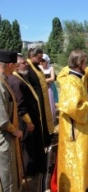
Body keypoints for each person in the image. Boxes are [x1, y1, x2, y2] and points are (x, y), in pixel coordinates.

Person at [57, 49, 88, 191]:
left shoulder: (76, 78)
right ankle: (79, 186)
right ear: (79, 63)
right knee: (79, 156)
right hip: (76, 128)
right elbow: (72, 108)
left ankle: (86, 182)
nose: (86, 65)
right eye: (85, 62)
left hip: (81, 125)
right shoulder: (72, 82)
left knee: (84, 155)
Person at [7, 54, 46, 177]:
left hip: (31, 116)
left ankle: (34, 168)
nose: (27, 64)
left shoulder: (21, 77)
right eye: (24, 63)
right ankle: (28, 171)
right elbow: (21, 105)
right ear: (16, 66)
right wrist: (28, 122)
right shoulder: (15, 81)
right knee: (27, 145)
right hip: (24, 120)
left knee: (32, 144)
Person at [0, 50, 23, 191]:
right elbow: (1, 117)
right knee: (7, 173)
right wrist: (15, 131)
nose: (16, 69)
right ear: (9, 65)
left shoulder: (3, 80)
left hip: (8, 135)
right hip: (4, 138)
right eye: (15, 66)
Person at [27, 48, 54, 147]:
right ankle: (41, 140)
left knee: (44, 117)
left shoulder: (36, 67)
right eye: (39, 57)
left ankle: (45, 138)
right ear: (32, 57)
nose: (41, 60)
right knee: (39, 119)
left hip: (41, 97)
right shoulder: (28, 68)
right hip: (35, 100)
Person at [38, 54, 56, 124]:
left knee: (50, 102)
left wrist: (44, 81)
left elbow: (53, 78)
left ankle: (51, 119)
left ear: (47, 61)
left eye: (43, 60)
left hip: (48, 88)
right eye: (40, 60)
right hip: (41, 88)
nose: (41, 62)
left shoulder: (51, 68)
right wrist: (47, 80)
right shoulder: (38, 67)